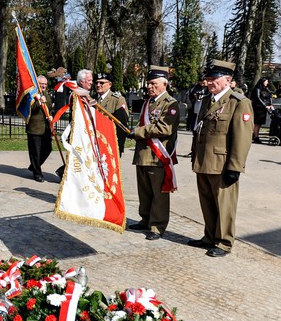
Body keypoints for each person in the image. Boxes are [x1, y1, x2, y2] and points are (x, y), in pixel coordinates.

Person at [189, 59, 254, 258]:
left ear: (228, 80)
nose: (209, 82)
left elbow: (242, 137)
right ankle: (209, 236)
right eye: (208, 79)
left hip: (223, 164)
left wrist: (235, 166)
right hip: (203, 161)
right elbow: (199, 130)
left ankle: (224, 242)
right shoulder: (207, 100)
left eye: (214, 79)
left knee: (224, 205)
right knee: (207, 202)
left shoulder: (238, 102)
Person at [126, 66, 180, 241]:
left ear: (164, 84)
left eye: (153, 83)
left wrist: (138, 132)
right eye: (148, 83)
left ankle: (157, 226)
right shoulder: (148, 102)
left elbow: (165, 128)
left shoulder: (170, 104)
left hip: (158, 156)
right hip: (143, 154)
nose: (149, 86)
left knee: (159, 194)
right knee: (145, 191)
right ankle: (145, 219)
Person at [25, 75, 53, 182]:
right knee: (35, 151)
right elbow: (29, 109)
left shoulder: (46, 94)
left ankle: (33, 165)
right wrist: (39, 102)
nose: (44, 86)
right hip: (35, 127)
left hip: (45, 127)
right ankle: (37, 173)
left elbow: (50, 107)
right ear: (37, 84)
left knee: (48, 148)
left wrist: (51, 115)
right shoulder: (31, 94)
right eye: (42, 84)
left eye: (45, 84)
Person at [93, 71, 128, 156]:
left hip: (109, 144)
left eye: (102, 83)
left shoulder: (117, 100)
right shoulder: (92, 99)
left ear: (110, 84)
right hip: (93, 143)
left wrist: (119, 146)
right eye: (96, 82)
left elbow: (121, 125)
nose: (98, 85)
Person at [250, 78, 273, 143]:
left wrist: (270, 104)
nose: (267, 83)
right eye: (266, 82)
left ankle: (255, 135)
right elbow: (258, 98)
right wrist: (265, 105)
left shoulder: (266, 89)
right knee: (257, 123)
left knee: (259, 123)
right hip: (258, 108)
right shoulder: (257, 89)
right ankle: (255, 136)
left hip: (264, 108)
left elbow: (269, 96)